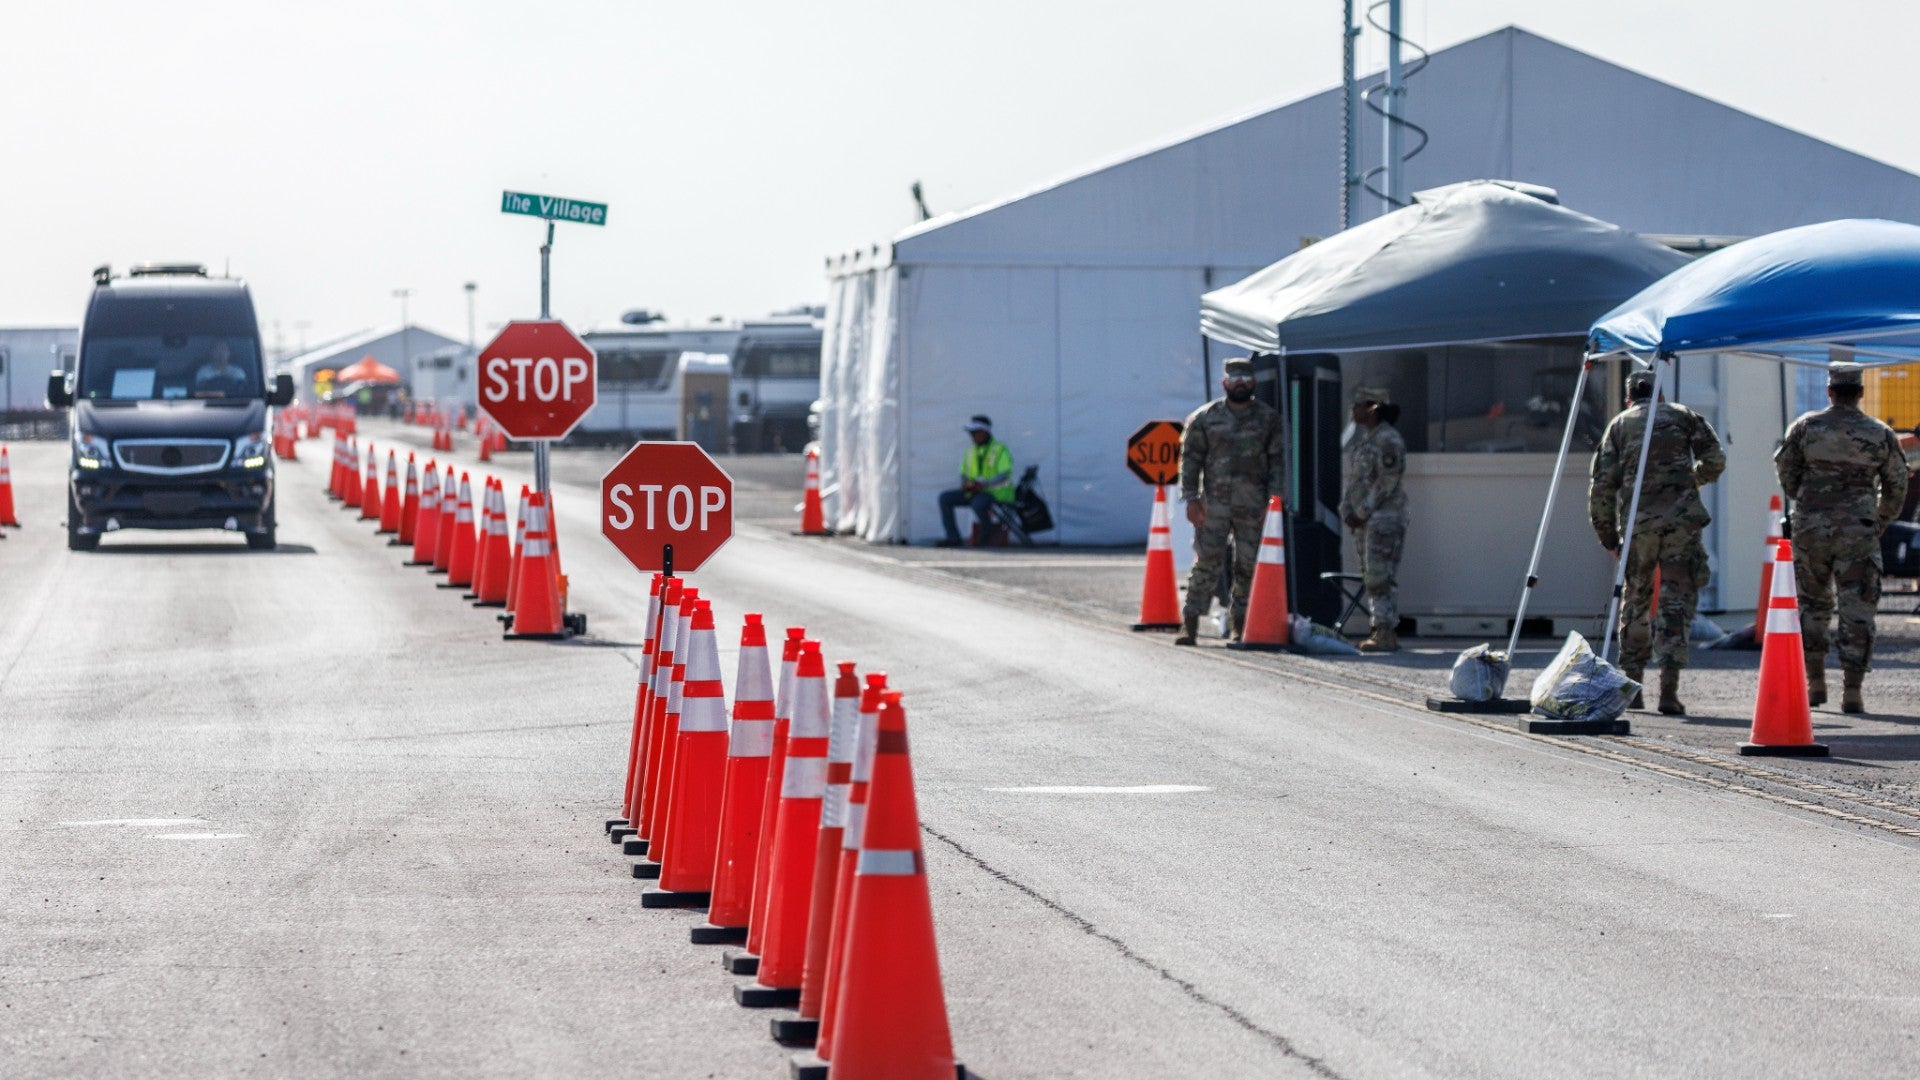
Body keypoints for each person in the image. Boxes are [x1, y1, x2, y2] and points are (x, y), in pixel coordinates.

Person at [1587, 368, 1726, 714]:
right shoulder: (1684, 417)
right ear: (1661, 394)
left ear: (1629, 397)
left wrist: (1607, 535)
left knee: (1636, 602)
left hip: (1639, 525)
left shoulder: (1620, 425)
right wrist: (1693, 480)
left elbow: (1602, 486)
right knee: (1676, 602)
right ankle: (1669, 691)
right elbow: (1716, 459)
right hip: (1682, 525)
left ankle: (1633, 687)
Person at [1774, 361, 1909, 713]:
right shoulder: (1879, 433)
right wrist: (1879, 519)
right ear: (1861, 393)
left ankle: (1815, 682)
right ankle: (1852, 690)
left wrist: (1806, 503)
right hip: (1858, 531)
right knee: (1858, 609)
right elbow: (1897, 484)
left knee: (1813, 605)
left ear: (1829, 391)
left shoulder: (1806, 426)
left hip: (1811, 529)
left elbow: (1787, 473)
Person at [1175, 357, 1285, 645]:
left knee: (1248, 565)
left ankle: (1240, 624)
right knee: (1207, 562)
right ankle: (1190, 623)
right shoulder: (1205, 418)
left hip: (1253, 506)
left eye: (1246, 380)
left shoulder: (1268, 419)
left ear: (1254, 384)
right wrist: (1190, 499)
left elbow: (1277, 463)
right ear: (1224, 383)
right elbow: (1190, 460)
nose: (1240, 384)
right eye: (1234, 380)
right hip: (1214, 505)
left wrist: (1274, 502)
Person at [1340, 388, 1408, 653]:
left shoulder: (1388, 440)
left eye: (1357, 405)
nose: (1353, 411)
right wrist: (1347, 508)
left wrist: (1363, 511)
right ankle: (1382, 629)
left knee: (1379, 575)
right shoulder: (1366, 440)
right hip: (1368, 521)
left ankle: (1384, 631)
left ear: (1372, 408)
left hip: (1384, 519)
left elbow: (1387, 481)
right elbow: (1357, 480)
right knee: (1372, 575)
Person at [936, 414, 1014, 547]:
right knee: (945, 498)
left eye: (975, 432)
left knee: (978, 503)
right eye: (971, 433)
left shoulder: (1000, 449)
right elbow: (963, 473)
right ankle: (953, 538)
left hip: (995, 493)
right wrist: (966, 483)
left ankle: (986, 537)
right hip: (974, 492)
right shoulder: (970, 451)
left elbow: (1004, 474)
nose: (972, 436)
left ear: (985, 432)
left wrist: (984, 484)